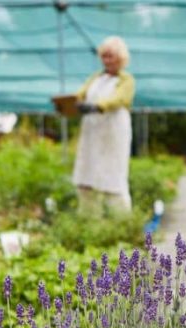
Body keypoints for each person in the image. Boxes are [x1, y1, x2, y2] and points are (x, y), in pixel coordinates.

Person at [72, 35, 136, 217]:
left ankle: (123, 222)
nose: (106, 60)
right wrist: (72, 104)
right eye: (104, 56)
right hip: (92, 131)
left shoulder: (126, 80)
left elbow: (119, 99)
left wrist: (97, 106)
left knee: (113, 177)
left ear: (121, 58)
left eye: (111, 56)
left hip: (113, 131)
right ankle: (89, 220)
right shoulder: (95, 78)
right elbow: (80, 95)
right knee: (86, 175)